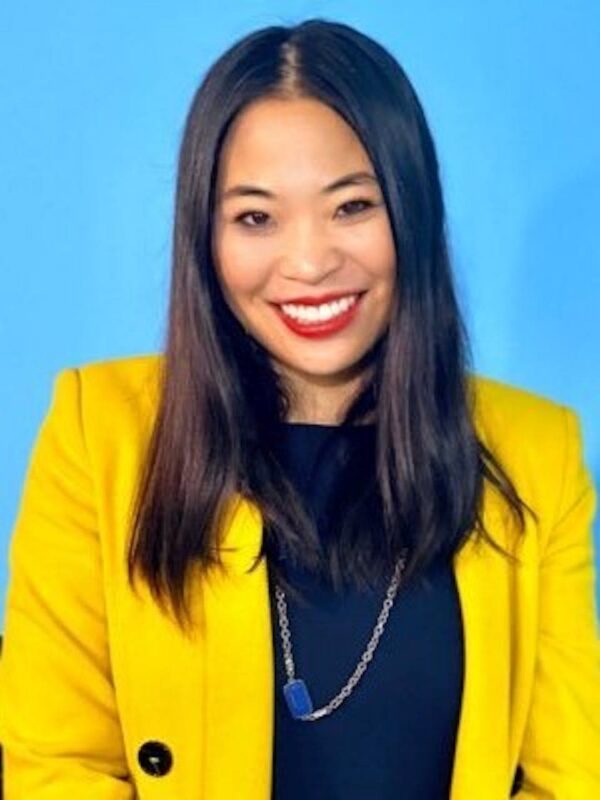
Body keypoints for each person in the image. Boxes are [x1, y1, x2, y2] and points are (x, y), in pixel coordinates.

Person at [0, 17, 598, 800]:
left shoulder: (535, 450)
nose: (311, 261)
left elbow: (573, 776)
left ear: (410, 214)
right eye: (256, 217)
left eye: (351, 206)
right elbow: (53, 766)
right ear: (206, 240)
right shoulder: (98, 429)